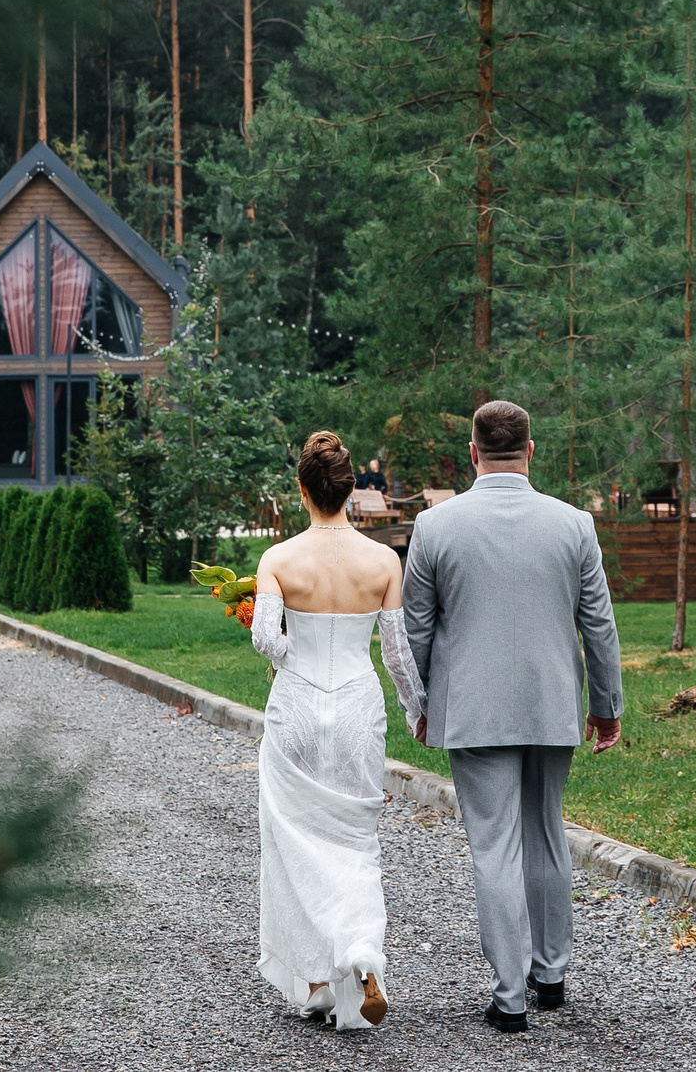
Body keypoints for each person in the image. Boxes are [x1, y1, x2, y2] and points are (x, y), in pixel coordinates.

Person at [402, 399, 622, 1033]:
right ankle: (550, 974)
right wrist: (605, 707)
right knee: (547, 833)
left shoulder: (435, 527)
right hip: (552, 702)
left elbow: (417, 628)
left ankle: (509, 997)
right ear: (531, 450)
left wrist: (420, 706)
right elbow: (598, 626)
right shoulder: (575, 524)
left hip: (472, 708)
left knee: (493, 846)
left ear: (473, 453)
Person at [249, 431, 426, 1030]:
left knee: (293, 840)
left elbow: (265, 639)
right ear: (352, 491)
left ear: (303, 490)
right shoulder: (382, 561)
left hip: (295, 705)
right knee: (355, 838)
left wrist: (289, 648)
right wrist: (416, 710)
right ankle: (361, 955)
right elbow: (398, 655)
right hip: (355, 704)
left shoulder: (277, 559)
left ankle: (320, 982)